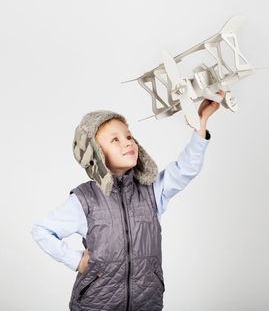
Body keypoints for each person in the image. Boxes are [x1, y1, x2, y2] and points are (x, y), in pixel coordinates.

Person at [31, 91, 224, 311]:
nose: (127, 143)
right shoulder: (85, 200)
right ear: (96, 153)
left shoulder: (151, 191)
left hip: (146, 302)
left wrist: (201, 122)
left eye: (129, 137)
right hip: (96, 304)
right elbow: (42, 231)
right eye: (115, 139)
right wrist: (76, 260)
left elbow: (186, 169)